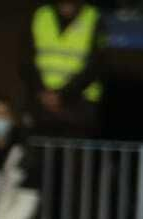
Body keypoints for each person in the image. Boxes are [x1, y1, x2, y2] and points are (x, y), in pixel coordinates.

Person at [23, 2, 104, 138]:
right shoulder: (41, 15)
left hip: (80, 103)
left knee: (75, 153)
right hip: (42, 102)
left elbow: (97, 64)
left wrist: (63, 95)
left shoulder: (94, 17)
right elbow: (26, 59)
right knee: (41, 150)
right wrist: (41, 91)